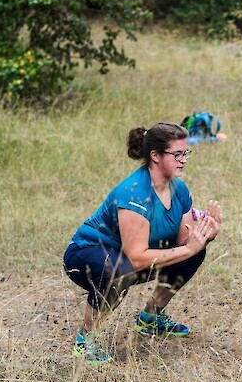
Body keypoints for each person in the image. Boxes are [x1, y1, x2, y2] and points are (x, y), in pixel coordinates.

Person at [63, 122, 222, 363]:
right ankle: (86, 341)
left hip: (129, 258)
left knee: (194, 253)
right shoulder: (135, 194)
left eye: (185, 153)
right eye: (176, 154)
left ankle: (150, 318)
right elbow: (136, 257)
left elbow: (184, 240)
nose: (184, 160)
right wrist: (188, 247)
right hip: (86, 256)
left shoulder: (178, 189)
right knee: (119, 269)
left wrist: (206, 234)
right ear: (155, 156)